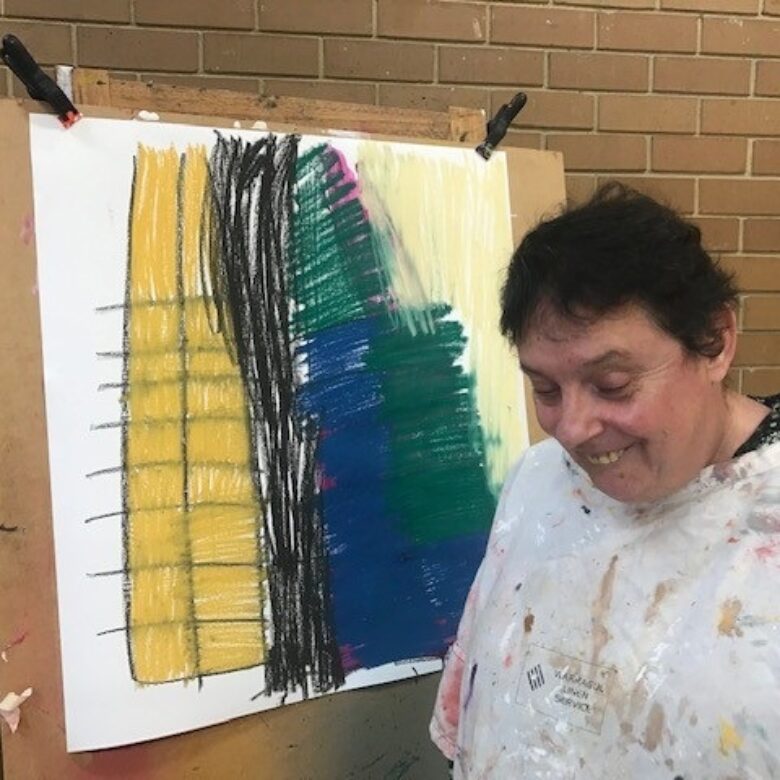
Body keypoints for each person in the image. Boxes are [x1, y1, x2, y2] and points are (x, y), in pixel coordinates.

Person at [430, 182, 780, 779]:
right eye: (545, 388)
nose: (573, 428)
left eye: (612, 384)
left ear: (715, 341)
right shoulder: (539, 480)